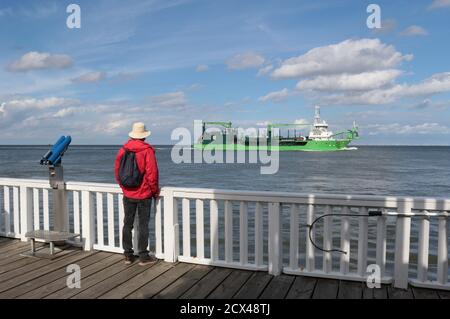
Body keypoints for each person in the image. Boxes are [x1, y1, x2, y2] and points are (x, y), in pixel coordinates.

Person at [114, 122, 160, 266]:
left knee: (127, 223)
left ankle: (128, 255)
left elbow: (117, 172)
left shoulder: (123, 149)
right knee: (143, 225)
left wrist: (124, 188)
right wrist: (154, 191)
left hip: (128, 194)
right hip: (144, 194)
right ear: (144, 136)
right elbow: (152, 174)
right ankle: (143, 256)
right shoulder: (147, 150)